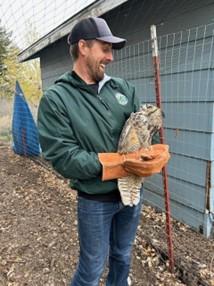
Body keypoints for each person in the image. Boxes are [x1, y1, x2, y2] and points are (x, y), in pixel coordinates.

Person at [37, 17, 170, 286]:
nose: (110, 57)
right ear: (83, 47)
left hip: (131, 194)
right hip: (95, 200)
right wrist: (119, 164)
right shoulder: (57, 99)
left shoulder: (123, 89)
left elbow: (140, 133)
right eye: (105, 48)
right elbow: (63, 157)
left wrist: (149, 152)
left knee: (122, 255)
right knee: (91, 269)